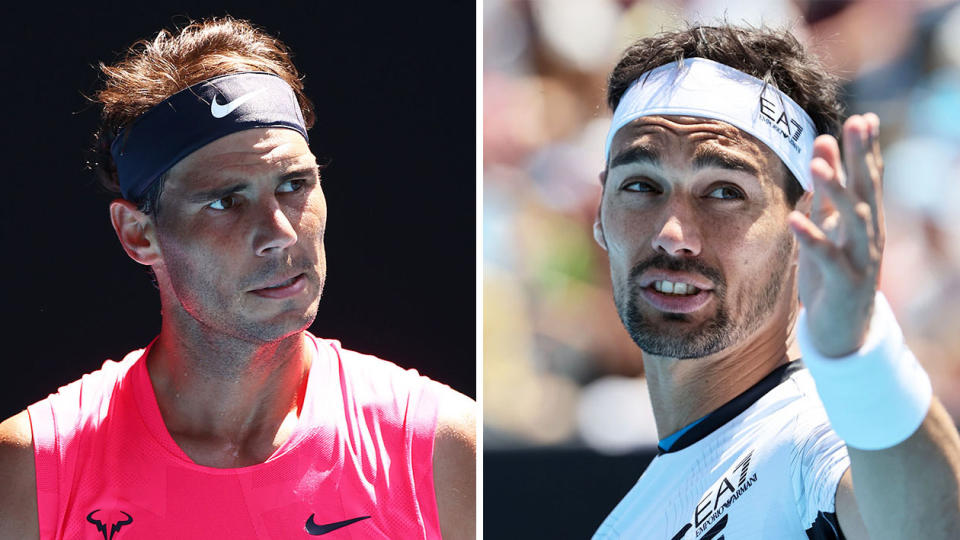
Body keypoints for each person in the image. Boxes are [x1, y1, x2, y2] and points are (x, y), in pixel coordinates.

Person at [0, 16, 475, 540]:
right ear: (139, 234)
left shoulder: (448, 450)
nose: (279, 233)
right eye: (226, 201)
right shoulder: (27, 472)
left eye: (294, 184)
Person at [591, 25, 960, 539]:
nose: (674, 235)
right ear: (601, 208)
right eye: (641, 186)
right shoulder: (620, 529)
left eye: (724, 192)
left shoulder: (817, 437)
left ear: (804, 221)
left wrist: (858, 357)